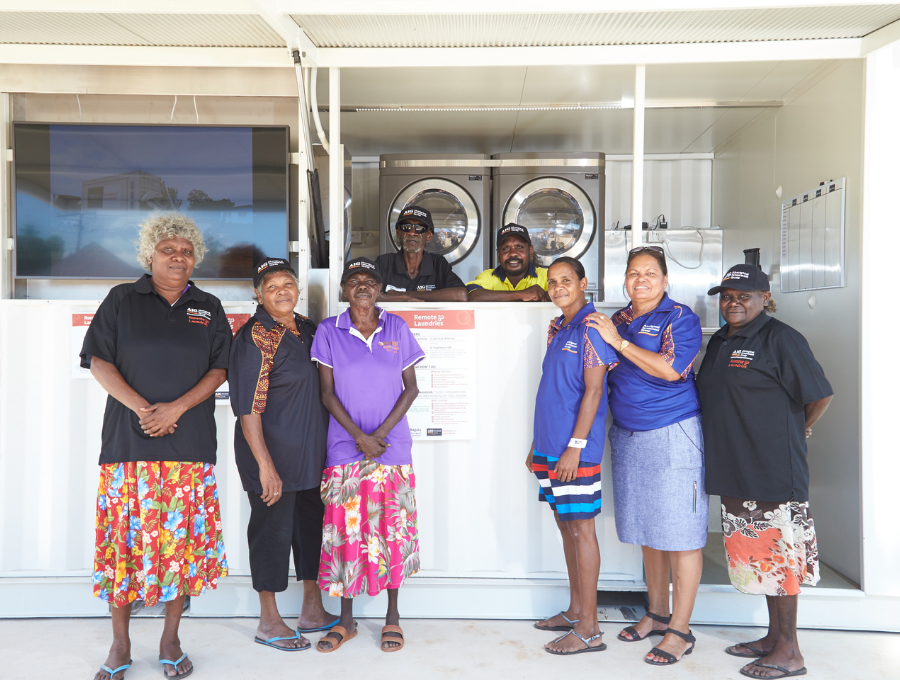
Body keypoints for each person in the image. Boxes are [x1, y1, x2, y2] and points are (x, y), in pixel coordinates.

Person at [81, 213, 230, 680]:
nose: (178, 257)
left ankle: (171, 639)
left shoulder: (208, 305)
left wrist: (176, 410)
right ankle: (120, 644)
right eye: (169, 250)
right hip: (128, 446)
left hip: (190, 446)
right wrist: (148, 411)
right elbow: (99, 363)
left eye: (187, 251)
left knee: (179, 548)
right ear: (149, 255)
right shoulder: (121, 299)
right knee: (123, 546)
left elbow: (219, 370)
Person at [696, 264, 833, 680]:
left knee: (780, 558)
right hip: (736, 466)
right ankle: (773, 637)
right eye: (726, 295)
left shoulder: (781, 339)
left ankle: (790, 651)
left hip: (772, 467)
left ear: (765, 299)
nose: (732, 302)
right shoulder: (721, 339)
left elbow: (819, 395)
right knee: (759, 559)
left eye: (743, 295)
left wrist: (798, 427)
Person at [586, 246, 707, 666]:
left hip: (672, 432)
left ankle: (681, 629)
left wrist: (618, 343)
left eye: (650, 273)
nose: (641, 279)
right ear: (625, 280)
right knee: (648, 529)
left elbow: (673, 369)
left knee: (681, 533)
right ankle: (656, 614)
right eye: (633, 272)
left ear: (665, 279)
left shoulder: (680, 318)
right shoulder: (617, 318)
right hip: (628, 435)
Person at [309, 257, 425, 653]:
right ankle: (346, 619)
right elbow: (327, 393)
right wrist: (360, 437)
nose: (362, 286)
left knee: (392, 531)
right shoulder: (329, 330)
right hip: (345, 448)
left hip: (391, 449)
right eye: (354, 280)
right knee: (345, 533)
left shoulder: (397, 328)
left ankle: (392, 616)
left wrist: (380, 434)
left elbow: (410, 388)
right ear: (344, 290)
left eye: (370, 280)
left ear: (380, 289)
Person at [228, 257, 339, 652]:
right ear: (258, 294)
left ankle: (312, 610)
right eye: (271, 287)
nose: (281, 292)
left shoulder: (308, 329)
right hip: (271, 460)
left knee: (311, 531)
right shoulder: (255, 337)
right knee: (271, 535)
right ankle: (269, 620)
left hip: (311, 457)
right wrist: (265, 467)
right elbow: (247, 408)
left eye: (287, 284)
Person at [527, 256, 619, 656]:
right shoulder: (558, 326)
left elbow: (594, 392)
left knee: (582, 528)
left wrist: (574, 448)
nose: (558, 287)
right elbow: (553, 388)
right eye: (552, 282)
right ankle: (576, 609)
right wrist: (538, 446)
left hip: (575, 451)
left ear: (584, 283)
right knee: (566, 526)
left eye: (567, 280)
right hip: (549, 447)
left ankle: (589, 629)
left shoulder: (592, 327)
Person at [374, 206, 468, 301]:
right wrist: (404, 298)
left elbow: (461, 295)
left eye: (419, 228)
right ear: (399, 233)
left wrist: (408, 294)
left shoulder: (437, 263)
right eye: (406, 227)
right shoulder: (384, 263)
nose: (412, 233)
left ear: (429, 235)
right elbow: (365, 294)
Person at [467, 223, 550, 301]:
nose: (513, 253)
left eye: (519, 247)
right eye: (505, 248)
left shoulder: (547, 275)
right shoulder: (488, 276)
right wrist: (521, 294)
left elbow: (562, 293)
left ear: (530, 251)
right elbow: (471, 295)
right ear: (498, 255)